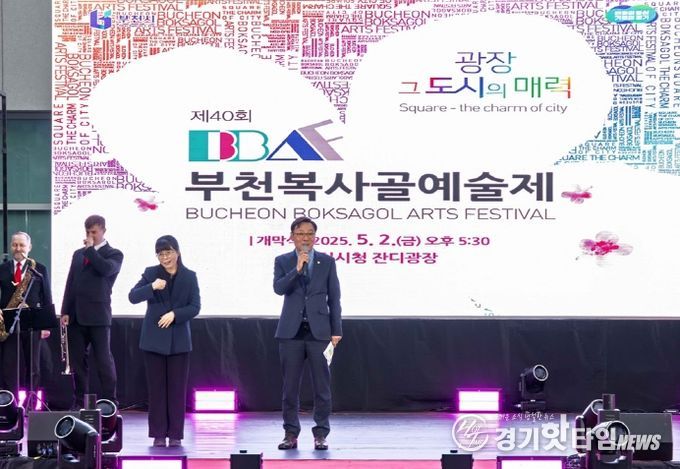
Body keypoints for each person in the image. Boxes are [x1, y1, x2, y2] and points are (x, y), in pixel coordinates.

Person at [274, 217, 342, 451]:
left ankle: (321, 433)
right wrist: (297, 269)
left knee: (322, 387)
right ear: (292, 236)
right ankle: (290, 434)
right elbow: (279, 288)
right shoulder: (283, 261)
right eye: (300, 233)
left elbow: (334, 297)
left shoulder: (327, 262)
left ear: (315, 236)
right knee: (290, 388)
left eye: (310, 233)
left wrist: (336, 330)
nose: (305, 238)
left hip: (320, 332)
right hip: (290, 332)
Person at [129, 235, 200, 448]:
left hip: (179, 341)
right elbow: (133, 297)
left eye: (168, 253)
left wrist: (175, 314)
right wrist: (151, 287)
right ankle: (158, 434)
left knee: (177, 390)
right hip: (153, 341)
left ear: (177, 252)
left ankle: (176, 434)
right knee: (157, 390)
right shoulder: (151, 273)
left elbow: (195, 306)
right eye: (160, 254)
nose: (165, 258)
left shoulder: (189, 276)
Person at [61, 215, 123, 409]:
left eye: (94, 232)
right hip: (76, 316)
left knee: (104, 360)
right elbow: (71, 282)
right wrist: (65, 310)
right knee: (78, 363)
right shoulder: (78, 254)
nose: (90, 236)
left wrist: (90, 251)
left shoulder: (114, 254)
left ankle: (110, 401)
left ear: (104, 230)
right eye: (88, 232)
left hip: (98, 316)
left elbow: (106, 270)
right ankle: (80, 402)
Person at [0, 232, 52, 406]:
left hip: (33, 323)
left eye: (22, 245)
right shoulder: (2, 268)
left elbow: (47, 297)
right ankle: (11, 404)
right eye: (15, 245)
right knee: (9, 365)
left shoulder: (40, 269)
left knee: (33, 365)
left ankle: (31, 404)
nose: (18, 248)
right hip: (9, 322)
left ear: (29, 247)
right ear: (11, 246)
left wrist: (46, 325)